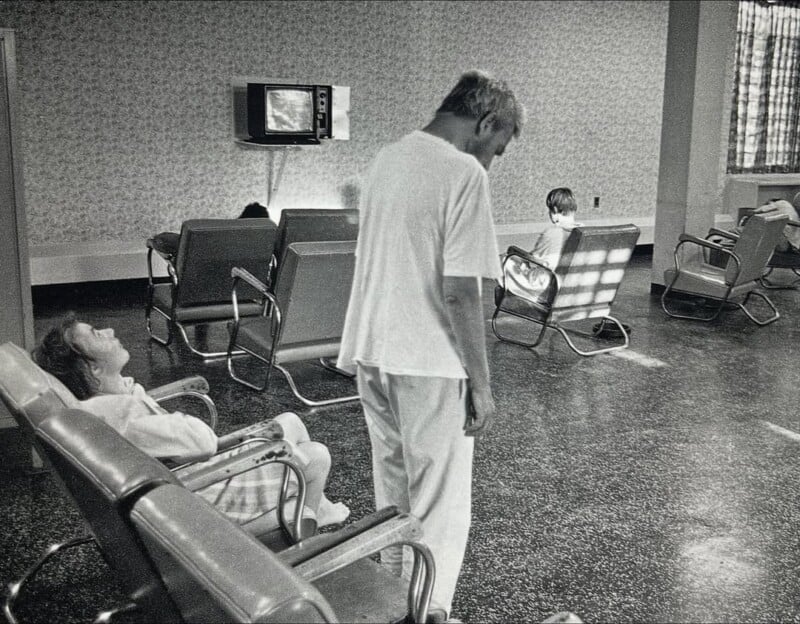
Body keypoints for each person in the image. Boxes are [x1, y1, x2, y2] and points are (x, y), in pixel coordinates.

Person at [336, 69, 524, 619]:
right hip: (430, 360)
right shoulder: (463, 173)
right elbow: (463, 292)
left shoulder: (385, 160)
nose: (491, 161)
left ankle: (395, 602)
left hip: (373, 349)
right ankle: (431, 611)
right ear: (485, 121)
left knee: (393, 490)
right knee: (442, 507)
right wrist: (482, 386)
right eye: (497, 147)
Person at [33, 315, 350, 532]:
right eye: (94, 334)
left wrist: (129, 392)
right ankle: (305, 525)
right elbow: (203, 442)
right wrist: (141, 402)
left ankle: (317, 508)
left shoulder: (108, 404)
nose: (109, 332)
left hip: (179, 481)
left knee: (290, 421)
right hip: (198, 498)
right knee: (316, 455)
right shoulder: (122, 411)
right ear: (93, 371)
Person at [501, 187, 581, 304]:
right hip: (572, 288)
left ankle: (510, 299)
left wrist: (515, 253)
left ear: (554, 210)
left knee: (504, 260)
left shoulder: (553, 233)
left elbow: (533, 260)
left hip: (548, 288)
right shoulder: (583, 232)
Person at [150, 202, 271, 261]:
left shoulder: (209, 241)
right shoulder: (268, 246)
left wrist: (151, 242)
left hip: (200, 293)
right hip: (246, 294)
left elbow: (162, 240)